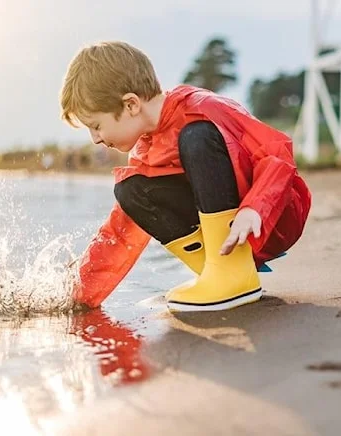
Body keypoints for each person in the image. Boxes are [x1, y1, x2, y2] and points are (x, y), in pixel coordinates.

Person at [59, 41, 311, 312]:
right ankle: (218, 273)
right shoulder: (144, 150)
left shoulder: (202, 107)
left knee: (196, 137)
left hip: (271, 217)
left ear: (131, 104)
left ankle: (232, 276)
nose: (95, 139)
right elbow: (119, 232)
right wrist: (76, 296)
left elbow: (277, 153)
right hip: (231, 239)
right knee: (130, 189)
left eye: (96, 126)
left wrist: (255, 208)